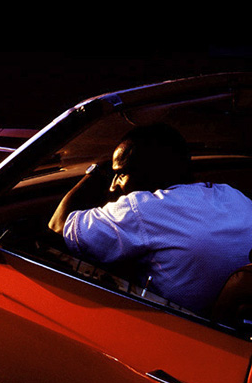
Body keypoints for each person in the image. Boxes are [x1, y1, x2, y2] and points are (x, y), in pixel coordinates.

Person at [48, 124, 252, 315]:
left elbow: (57, 226)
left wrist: (96, 172)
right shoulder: (232, 195)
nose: (113, 186)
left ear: (149, 172)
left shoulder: (141, 207)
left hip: (174, 328)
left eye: (120, 174)